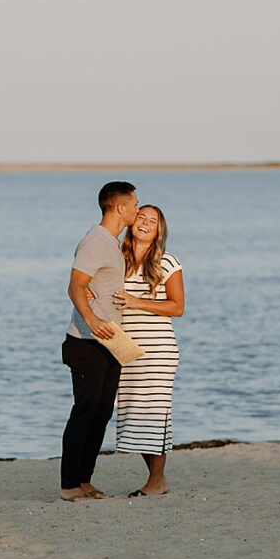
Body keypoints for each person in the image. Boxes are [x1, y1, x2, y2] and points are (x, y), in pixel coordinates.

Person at [60, 181, 139, 502]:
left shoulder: (112, 243)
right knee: (85, 410)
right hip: (86, 342)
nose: (137, 208)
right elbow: (75, 285)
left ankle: (84, 480)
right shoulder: (95, 241)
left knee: (102, 412)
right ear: (120, 207)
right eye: (135, 203)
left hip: (110, 343)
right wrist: (92, 320)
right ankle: (69, 486)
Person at [112, 205, 184, 497]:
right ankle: (158, 479)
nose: (144, 222)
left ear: (158, 231)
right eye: (141, 216)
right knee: (133, 414)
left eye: (152, 221)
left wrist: (136, 301)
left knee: (155, 413)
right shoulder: (117, 259)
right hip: (125, 350)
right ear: (131, 222)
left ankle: (156, 482)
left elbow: (177, 307)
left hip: (157, 351)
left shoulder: (167, 262)